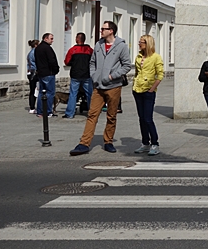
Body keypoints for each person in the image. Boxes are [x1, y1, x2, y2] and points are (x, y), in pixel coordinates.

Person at [70, 21, 131, 156]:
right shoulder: (99, 44)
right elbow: (92, 62)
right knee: (92, 114)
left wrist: (111, 76)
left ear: (111, 31)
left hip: (113, 86)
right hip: (98, 86)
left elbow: (127, 66)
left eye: (104, 29)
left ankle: (108, 141)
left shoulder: (121, 46)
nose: (101, 31)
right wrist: (94, 76)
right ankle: (84, 144)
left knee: (111, 116)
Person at [132, 35, 164, 156]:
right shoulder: (139, 57)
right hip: (137, 90)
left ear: (148, 43)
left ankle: (155, 143)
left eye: (142, 42)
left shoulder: (156, 57)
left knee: (148, 118)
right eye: (139, 42)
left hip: (148, 91)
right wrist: (134, 84)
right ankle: (145, 143)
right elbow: (136, 73)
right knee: (141, 119)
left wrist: (152, 89)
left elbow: (160, 75)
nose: (139, 44)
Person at [63, 32, 93, 119]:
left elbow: (67, 62)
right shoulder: (89, 50)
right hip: (86, 74)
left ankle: (70, 113)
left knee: (73, 94)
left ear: (77, 39)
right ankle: (92, 113)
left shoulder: (72, 50)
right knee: (89, 94)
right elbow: (94, 61)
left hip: (75, 75)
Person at [34, 33, 60, 117]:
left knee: (42, 92)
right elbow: (52, 60)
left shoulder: (38, 48)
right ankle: (48, 111)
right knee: (50, 93)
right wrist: (56, 69)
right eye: (51, 38)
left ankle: (40, 111)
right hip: (49, 73)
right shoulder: (47, 48)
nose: (52, 40)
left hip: (41, 73)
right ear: (45, 39)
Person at [26, 40, 40, 114]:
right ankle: (34, 107)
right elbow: (37, 62)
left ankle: (32, 107)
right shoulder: (35, 52)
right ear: (36, 45)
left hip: (30, 72)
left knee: (32, 90)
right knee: (36, 90)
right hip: (35, 73)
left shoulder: (29, 53)